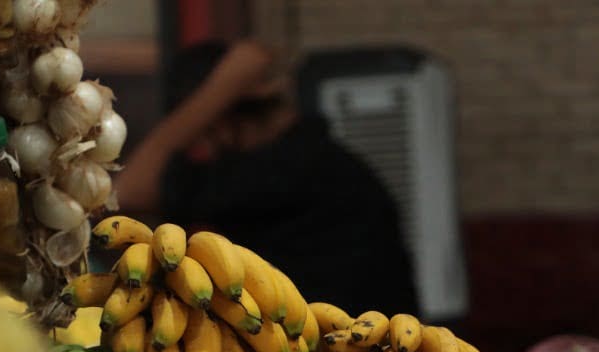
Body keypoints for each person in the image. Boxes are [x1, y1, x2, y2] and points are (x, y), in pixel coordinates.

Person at [113, 38, 419, 316]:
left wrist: (223, 87)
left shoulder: (281, 170)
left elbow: (128, 191)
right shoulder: (316, 158)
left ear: (220, 121)